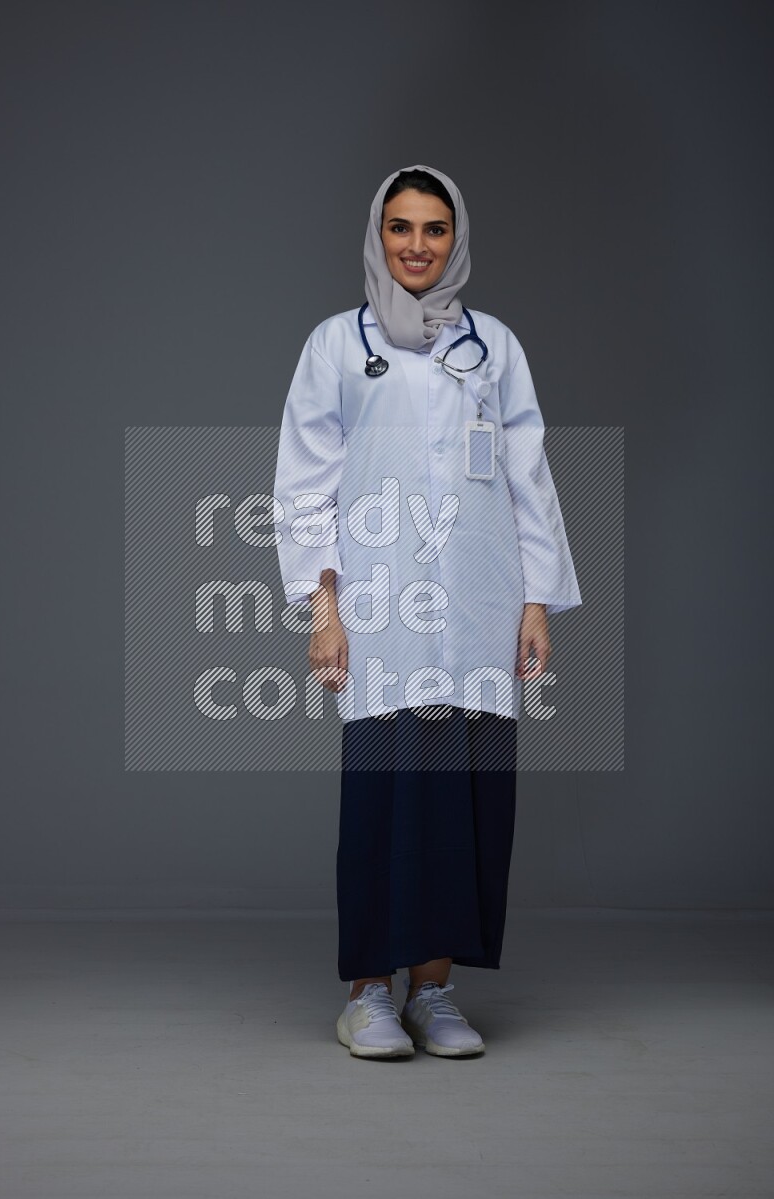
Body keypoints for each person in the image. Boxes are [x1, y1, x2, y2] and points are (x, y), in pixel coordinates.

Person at [273, 164, 581, 1059]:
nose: (417, 246)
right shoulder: (339, 344)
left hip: (480, 603)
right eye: (400, 228)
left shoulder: (496, 346)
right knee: (384, 789)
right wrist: (321, 608)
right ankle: (370, 991)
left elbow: (530, 477)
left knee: (467, 797)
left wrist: (535, 599)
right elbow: (303, 482)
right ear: (378, 236)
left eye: (434, 229)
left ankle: (436, 992)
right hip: (378, 603)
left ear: (457, 238)